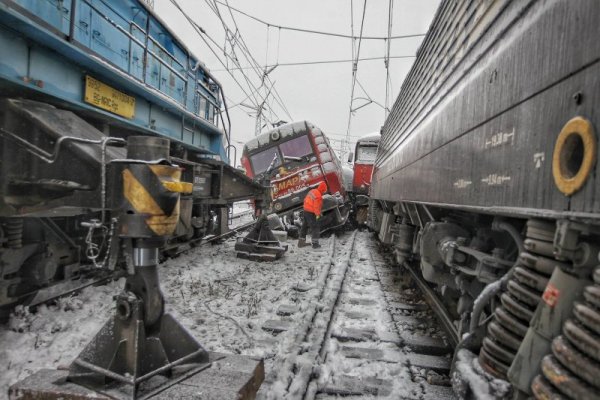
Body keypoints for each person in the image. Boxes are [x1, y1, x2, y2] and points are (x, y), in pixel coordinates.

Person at [298, 181, 327, 249]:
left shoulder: (313, 191)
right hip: (311, 212)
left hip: (305, 210)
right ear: (323, 190)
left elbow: (305, 199)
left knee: (304, 226)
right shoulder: (319, 196)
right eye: (324, 191)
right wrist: (318, 215)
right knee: (315, 227)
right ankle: (315, 244)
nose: (324, 192)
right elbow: (316, 207)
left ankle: (301, 242)